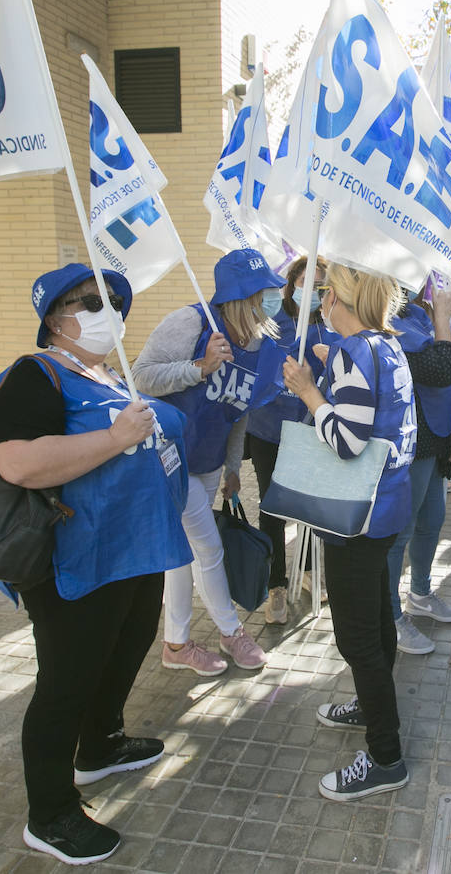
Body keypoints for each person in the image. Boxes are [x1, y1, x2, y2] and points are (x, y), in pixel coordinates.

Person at [0, 265, 193, 865]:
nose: (108, 311)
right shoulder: (36, 374)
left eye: (112, 302)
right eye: (90, 301)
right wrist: (115, 438)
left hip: (135, 551)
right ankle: (49, 813)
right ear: (55, 319)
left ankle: (100, 744)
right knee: (64, 683)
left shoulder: (105, 373)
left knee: (126, 650)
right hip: (76, 562)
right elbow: (18, 463)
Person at [281, 263, 415, 801]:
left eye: (324, 297)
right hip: (384, 508)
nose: (320, 306)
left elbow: (345, 441)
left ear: (340, 299)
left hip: (358, 514)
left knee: (357, 635)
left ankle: (386, 757)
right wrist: (330, 373)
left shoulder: (356, 353)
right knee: (377, 617)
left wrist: (312, 392)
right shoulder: (385, 346)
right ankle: (369, 702)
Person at [133, 248, 284, 675]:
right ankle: (232, 632)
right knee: (208, 547)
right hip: (170, 458)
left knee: (181, 556)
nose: (271, 300)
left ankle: (176, 646)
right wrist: (198, 368)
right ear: (242, 297)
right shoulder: (191, 322)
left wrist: (234, 467)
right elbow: (141, 376)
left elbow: (238, 409)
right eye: (263, 293)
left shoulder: (256, 341)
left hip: (209, 460)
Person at [245, 256, 339, 623]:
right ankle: (277, 586)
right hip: (269, 430)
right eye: (304, 282)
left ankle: (310, 571)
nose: (311, 291)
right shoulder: (270, 322)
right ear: (291, 284)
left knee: (308, 507)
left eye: (320, 286)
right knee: (272, 509)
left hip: (310, 429)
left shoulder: (329, 325)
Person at [386, 282, 451, 655]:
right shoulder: (386, 323)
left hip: (434, 441)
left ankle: (420, 592)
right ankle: (389, 616)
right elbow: (441, 367)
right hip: (410, 444)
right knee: (400, 533)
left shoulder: (416, 315)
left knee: (432, 520)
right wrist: (444, 318)